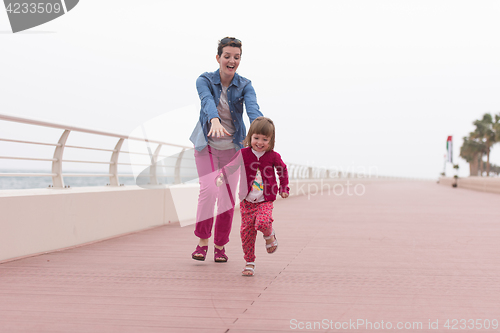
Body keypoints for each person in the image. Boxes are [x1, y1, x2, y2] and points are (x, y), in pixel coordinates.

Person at [190, 37, 263, 262]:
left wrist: (260, 128)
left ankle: (220, 246)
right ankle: (202, 242)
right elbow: (206, 101)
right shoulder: (204, 80)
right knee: (209, 191)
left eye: (236, 57)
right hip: (207, 147)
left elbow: (252, 108)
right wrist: (213, 119)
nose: (232, 61)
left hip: (233, 150)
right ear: (218, 58)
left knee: (227, 199)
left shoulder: (245, 85)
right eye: (227, 56)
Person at [216, 117, 289, 276]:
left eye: (265, 139)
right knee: (247, 233)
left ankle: (269, 235)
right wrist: (222, 176)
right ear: (250, 137)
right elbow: (231, 167)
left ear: (271, 140)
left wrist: (284, 187)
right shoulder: (243, 154)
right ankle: (249, 261)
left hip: (265, 200)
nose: (260, 142)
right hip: (247, 202)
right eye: (256, 138)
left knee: (262, 222)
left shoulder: (273, 156)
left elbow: (282, 170)